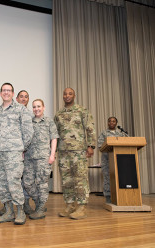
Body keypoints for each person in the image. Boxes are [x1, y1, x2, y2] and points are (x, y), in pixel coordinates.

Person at [0, 83, 34, 225]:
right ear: (0, 93)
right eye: (3, 90)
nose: (6, 93)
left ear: (12, 93)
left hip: (13, 152)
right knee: (2, 183)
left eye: (8, 91)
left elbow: (28, 132)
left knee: (14, 182)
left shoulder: (20, 109)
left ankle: (20, 211)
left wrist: (22, 148)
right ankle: (9, 211)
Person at [54, 87, 96, 220]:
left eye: (70, 93)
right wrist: (53, 150)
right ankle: (70, 205)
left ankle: (82, 207)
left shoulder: (82, 110)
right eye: (65, 93)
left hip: (78, 151)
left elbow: (90, 128)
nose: (67, 96)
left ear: (74, 96)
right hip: (63, 152)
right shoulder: (58, 114)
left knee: (80, 178)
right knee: (66, 180)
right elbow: (55, 134)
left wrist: (91, 146)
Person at [24, 99, 59, 219]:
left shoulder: (49, 121)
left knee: (42, 183)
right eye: (34, 107)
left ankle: (40, 209)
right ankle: (39, 202)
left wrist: (52, 155)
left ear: (43, 107)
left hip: (44, 157)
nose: (36, 109)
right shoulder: (29, 121)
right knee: (27, 183)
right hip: (29, 156)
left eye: (38, 106)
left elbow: (54, 138)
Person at [15, 90, 35, 214]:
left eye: (26, 97)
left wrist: (24, 148)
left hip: (28, 152)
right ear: (16, 99)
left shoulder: (32, 115)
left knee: (26, 179)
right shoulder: (13, 112)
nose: (23, 99)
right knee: (15, 178)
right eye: (21, 97)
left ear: (28, 99)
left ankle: (26, 203)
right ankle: (14, 205)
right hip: (16, 151)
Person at [97, 117, 125, 203]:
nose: (111, 122)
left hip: (119, 159)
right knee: (107, 179)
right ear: (107, 123)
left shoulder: (121, 134)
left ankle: (121, 196)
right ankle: (108, 197)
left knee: (120, 178)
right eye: (109, 121)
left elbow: (126, 142)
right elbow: (100, 145)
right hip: (107, 160)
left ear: (116, 123)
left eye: (113, 121)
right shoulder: (104, 133)